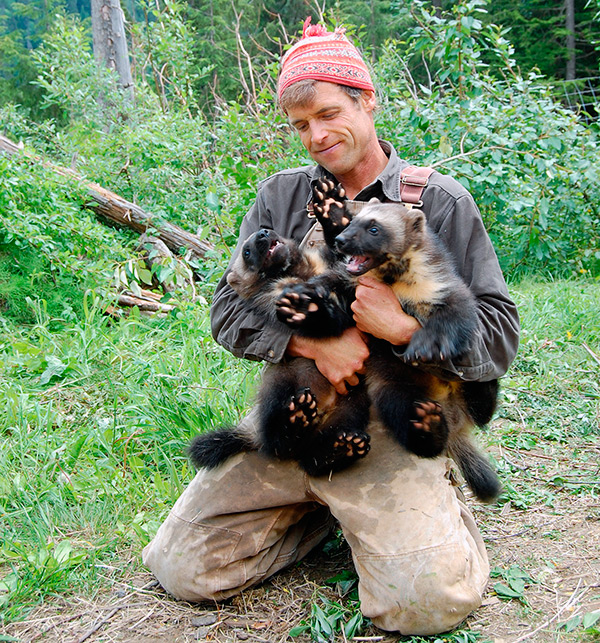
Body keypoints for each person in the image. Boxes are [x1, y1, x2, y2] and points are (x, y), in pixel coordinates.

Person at [143, 18, 520, 636]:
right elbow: (226, 308)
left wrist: (400, 330)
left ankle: (420, 504)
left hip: (394, 417)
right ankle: (321, 512)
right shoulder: (281, 198)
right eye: (300, 126)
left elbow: (499, 333)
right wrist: (314, 341)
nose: (315, 136)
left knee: (426, 606)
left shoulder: (435, 202)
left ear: (366, 100)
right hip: (301, 407)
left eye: (327, 113)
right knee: (182, 570)